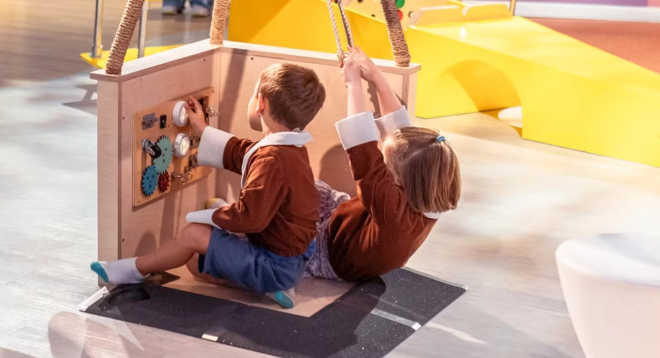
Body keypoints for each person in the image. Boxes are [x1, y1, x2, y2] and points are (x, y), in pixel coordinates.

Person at [91, 63, 326, 308]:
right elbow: (242, 152)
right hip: (293, 259)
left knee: (193, 234)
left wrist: (209, 216)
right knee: (194, 264)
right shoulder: (291, 149)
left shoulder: (272, 159)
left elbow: (250, 218)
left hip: (276, 265)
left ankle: (133, 269)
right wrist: (202, 129)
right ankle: (277, 287)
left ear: (261, 103)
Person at [304, 47, 462, 282]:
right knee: (302, 187)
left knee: (283, 222)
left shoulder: (392, 210)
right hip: (350, 223)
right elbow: (402, 135)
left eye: (386, 165)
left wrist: (354, 86)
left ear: (400, 179)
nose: (382, 165)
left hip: (329, 254)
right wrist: (376, 77)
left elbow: (361, 146)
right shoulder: (432, 190)